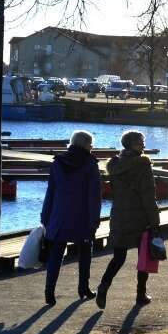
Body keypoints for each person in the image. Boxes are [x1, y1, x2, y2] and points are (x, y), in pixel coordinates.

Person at [96, 129, 161, 308]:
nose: (144, 145)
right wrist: (155, 222)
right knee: (144, 256)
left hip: (119, 215)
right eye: (140, 142)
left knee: (118, 257)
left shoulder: (115, 165)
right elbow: (148, 196)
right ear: (132, 145)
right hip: (140, 217)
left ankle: (104, 285)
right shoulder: (143, 165)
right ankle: (140, 294)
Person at [40, 130, 103, 306]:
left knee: (56, 253)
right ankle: (83, 288)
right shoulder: (90, 165)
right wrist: (94, 220)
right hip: (83, 216)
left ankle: (49, 291)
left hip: (59, 215)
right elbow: (94, 196)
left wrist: (45, 216)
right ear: (86, 145)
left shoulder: (58, 163)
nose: (92, 148)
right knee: (85, 252)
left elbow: (50, 192)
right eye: (91, 145)